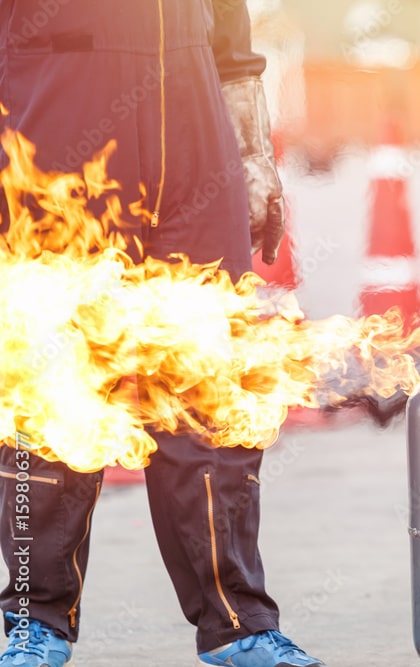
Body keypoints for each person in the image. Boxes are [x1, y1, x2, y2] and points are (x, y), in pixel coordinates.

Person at [0, 1, 324, 666]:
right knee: (54, 378)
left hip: (194, 128)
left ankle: (239, 621)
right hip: (56, 116)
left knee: (206, 385)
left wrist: (255, 152)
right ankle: (34, 617)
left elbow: (231, 36)